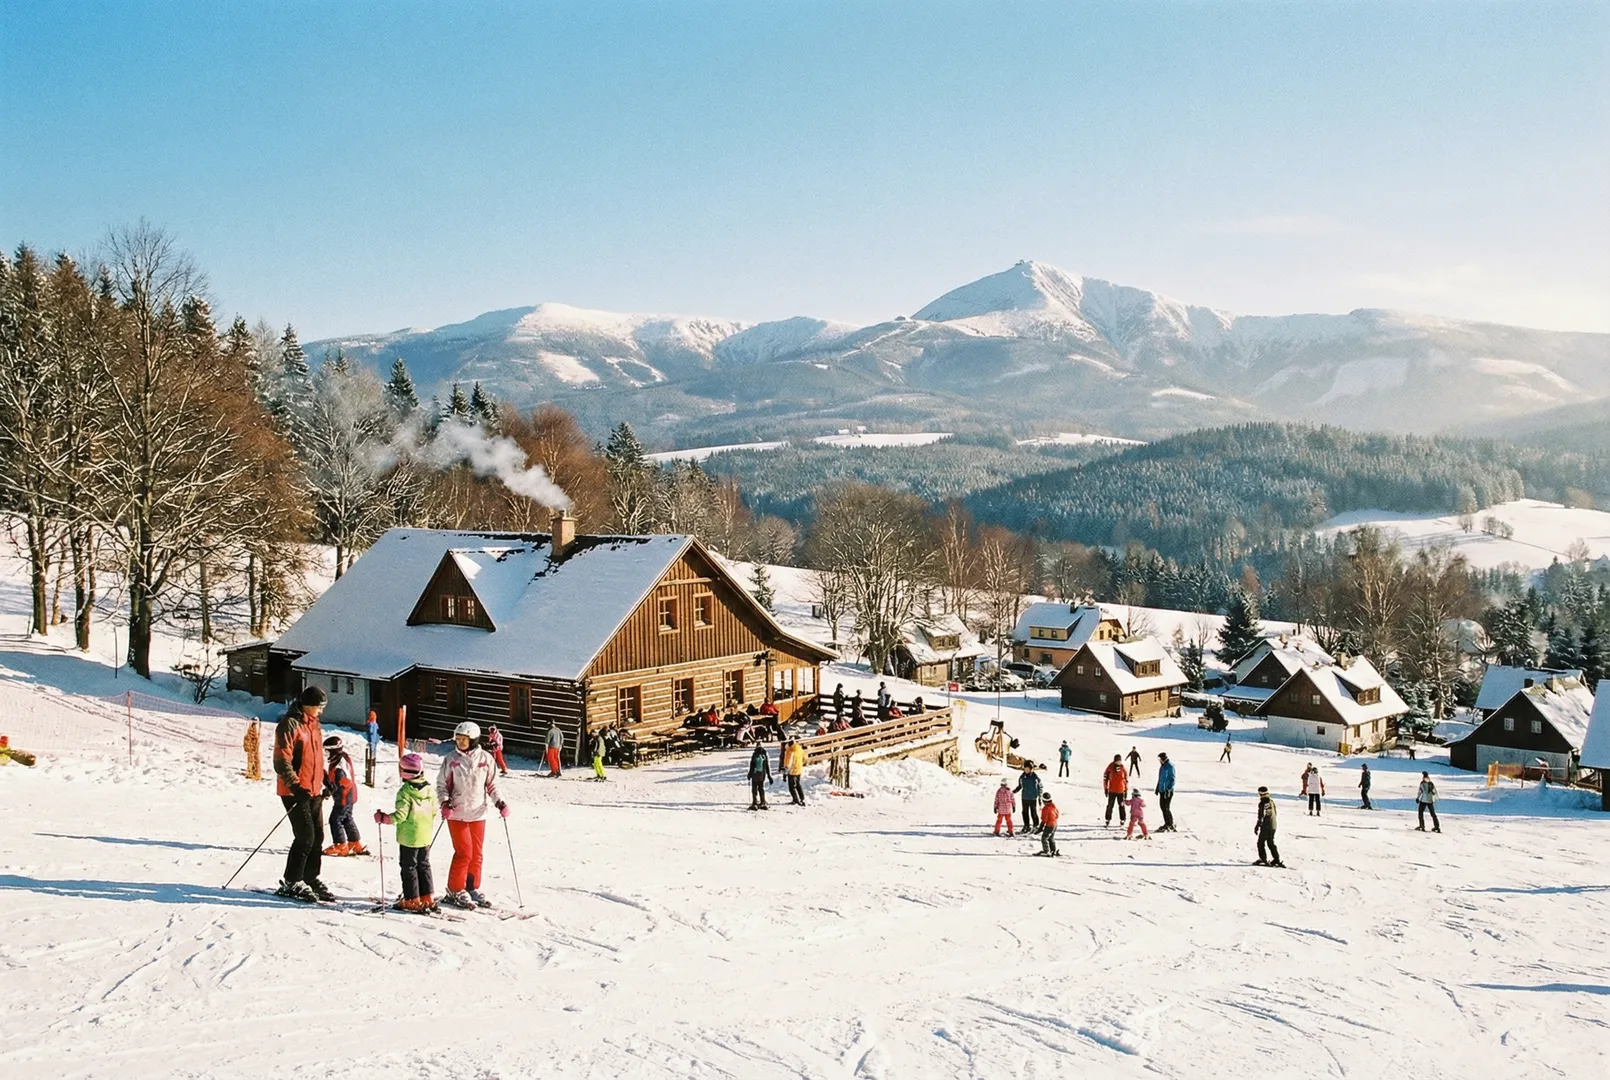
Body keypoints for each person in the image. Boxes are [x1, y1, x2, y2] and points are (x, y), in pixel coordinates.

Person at [436, 721, 508, 909]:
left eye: (463, 739)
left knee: (476, 854)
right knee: (464, 853)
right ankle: (454, 889)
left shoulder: (485, 759)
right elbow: (442, 785)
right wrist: (444, 802)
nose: (459, 742)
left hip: (478, 812)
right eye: (457, 739)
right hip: (457, 812)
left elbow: (492, 784)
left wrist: (499, 802)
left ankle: (471, 887)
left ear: (474, 739)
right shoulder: (451, 759)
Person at [273, 686, 333, 902]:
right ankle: (292, 880)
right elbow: (282, 761)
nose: (321, 711)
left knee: (318, 836)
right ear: (307, 704)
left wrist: (325, 778)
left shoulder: (314, 725)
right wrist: (296, 786)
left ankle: (310, 877)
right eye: (318, 707)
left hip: (313, 789)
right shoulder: (289, 725)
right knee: (305, 836)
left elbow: (314, 758)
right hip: (295, 791)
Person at [373, 752, 439, 913]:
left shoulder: (405, 792)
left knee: (409, 866)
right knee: (424, 865)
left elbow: (401, 816)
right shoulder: (429, 789)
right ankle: (427, 896)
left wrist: (384, 818)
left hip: (409, 837)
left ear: (404, 772)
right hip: (425, 835)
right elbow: (434, 810)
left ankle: (411, 899)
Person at [322, 735, 367, 856]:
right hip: (349, 795)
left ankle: (340, 844)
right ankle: (355, 842)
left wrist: (330, 789)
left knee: (335, 819)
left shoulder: (339, 765)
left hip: (344, 796)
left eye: (327, 751)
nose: (326, 753)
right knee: (347, 818)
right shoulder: (341, 758)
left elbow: (342, 780)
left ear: (333, 750)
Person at [1254, 786, 1283, 867]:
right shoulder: (1271, 801)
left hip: (1266, 825)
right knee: (1270, 843)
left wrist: (1257, 826)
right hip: (1273, 825)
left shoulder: (1262, 803)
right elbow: (1275, 812)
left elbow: (1261, 816)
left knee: (1260, 843)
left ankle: (1263, 859)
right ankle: (1276, 859)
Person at [1014, 763, 1043, 832]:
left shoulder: (1035, 777)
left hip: (1033, 798)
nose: (1026, 770)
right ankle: (1026, 825)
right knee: (1024, 812)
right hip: (1024, 797)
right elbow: (1020, 786)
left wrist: (1040, 797)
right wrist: (1013, 791)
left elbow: (1040, 787)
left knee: (1033, 812)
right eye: (1025, 768)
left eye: (1027, 769)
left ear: (1031, 769)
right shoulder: (1022, 776)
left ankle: (1036, 826)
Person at [1102, 754, 1129, 825]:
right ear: (1114, 761)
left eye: (1120, 761)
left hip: (1121, 790)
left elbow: (1125, 779)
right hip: (1112, 790)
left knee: (1121, 805)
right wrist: (1106, 788)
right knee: (1110, 805)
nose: (1119, 763)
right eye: (1117, 761)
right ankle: (1108, 819)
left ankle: (1122, 819)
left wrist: (1126, 790)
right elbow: (1105, 778)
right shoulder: (1110, 767)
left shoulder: (1122, 768)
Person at [1155, 752, 1176, 832]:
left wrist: (1169, 789)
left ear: (1163, 759)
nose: (1159, 761)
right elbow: (1160, 778)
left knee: (1166, 807)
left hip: (1168, 791)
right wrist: (1158, 787)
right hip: (1162, 790)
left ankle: (1170, 824)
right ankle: (1167, 823)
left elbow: (1173, 779)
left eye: (1160, 759)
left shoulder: (1170, 766)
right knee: (1162, 807)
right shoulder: (1162, 767)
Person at [747, 742, 772, 810]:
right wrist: (769, 776)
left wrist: (749, 774)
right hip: (762, 775)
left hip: (755, 775)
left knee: (754, 789)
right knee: (761, 788)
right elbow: (767, 766)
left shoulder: (755, 754)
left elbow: (752, 766)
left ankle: (755, 803)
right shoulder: (764, 755)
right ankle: (763, 802)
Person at [784, 739, 806, 806]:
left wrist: (785, 773)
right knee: (798, 784)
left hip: (792, 771)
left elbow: (788, 763)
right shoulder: (799, 748)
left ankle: (795, 799)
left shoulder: (790, 751)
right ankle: (802, 798)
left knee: (792, 787)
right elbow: (804, 758)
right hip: (799, 769)